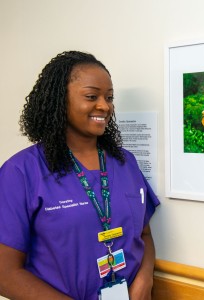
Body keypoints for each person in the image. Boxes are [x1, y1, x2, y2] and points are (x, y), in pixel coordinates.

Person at [0, 51, 160, 299]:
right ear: (58, 100)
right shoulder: (20, 172)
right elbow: (6, 274)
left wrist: (144, 282)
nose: (104, 106)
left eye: (109, 97)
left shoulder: (124, 162)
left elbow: (144, 236)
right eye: (91, 96)